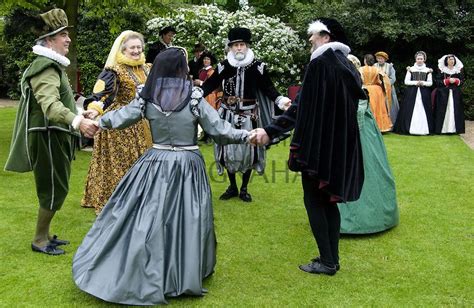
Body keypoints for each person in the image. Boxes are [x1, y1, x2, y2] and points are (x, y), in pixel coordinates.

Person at [73, 47, 250, 305]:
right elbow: (219, 130)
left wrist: (99, 121)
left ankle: (141, 264)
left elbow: (122, 116)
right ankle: (182, 271)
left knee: (147, 215)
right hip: (187, 164)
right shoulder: (194, 97)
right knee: (187, 217)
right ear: (181, 68)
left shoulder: (147, 95)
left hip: (154, 161)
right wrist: (247, 134)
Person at [250, 18, 366, 275]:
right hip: (340, 147)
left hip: (319, 147)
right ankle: (331, 258)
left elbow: (301, 107)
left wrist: (270, 131)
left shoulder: (320, 64)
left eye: (313, 35)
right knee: (328, 202)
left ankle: (326, 262)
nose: (310, 41)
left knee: (314, 201)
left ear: (326, 36)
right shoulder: (346, 65)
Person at [4, 9, 98, 255]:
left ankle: (44, 235)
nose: (68, 39)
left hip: (53, 133)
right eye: (63, 34)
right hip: (47, 135)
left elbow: (61, 103)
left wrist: (80, 112)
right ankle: (39, 240)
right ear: (48, 40)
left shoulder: (52, 66)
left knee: (57, 185)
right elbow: (50, 107)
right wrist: (78, 122)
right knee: (53, 187)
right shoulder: (45, 67)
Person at [201, 27, 291, 202]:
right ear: (230, 47)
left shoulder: (258, 67)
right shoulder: (223, 66)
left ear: (247, 46)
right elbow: (210, 84)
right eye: (235, 45)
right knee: (227, 150)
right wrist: (197, 92)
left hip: (250, 116)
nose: (239, 48)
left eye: (242, 45)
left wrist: (280, 100)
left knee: (250, 150)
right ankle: (232, 186)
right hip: (227, 115)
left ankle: (244, 188)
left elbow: (268, 88)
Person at [81, 31, 153, 214]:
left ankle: (140, 198)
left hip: (142, 122)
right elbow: (102, 94)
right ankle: (117, 200)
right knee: (122, 164)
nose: (136, 51)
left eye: (138, 47)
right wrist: (95, 109)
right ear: (123, 50)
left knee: (143, 161)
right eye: (132, 48)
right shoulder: (114, 70)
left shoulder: (147, 68)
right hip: (119, 125)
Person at [338, 54, 399, 234]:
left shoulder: (356, 88)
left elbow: (359, 110)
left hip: (360, 135)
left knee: (364, 168)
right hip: (359, 133)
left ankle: (361, 219)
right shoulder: (352, 86)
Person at [393, 51, 434, 135]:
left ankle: (424, 129)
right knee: (409, 109)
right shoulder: (410, 69)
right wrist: (416, 83)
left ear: (424, 60)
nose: (419, 60)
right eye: (418, 58)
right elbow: (406, 81)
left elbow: (430, 83)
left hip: (424, 92)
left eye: (421, 59)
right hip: (411, 92)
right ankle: (409, 128)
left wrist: (423, 83)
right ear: (415, 59)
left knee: (424, 109)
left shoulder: (428, 70)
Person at [359, 54, 392, 132]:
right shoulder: (377, 69)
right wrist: (383, 88)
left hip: (366, 88)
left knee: (370, 107)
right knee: (378, 108)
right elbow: (386, 80)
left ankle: (369, 126)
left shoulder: (361, 69)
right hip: (377, 90)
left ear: (365, 60)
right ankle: (380, 126)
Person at [194, 50, 222, 143]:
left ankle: (210, 136)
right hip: (202, 94)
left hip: (210, 96)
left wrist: (200, 82)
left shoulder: (212, 71)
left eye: (208, 59)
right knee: (202, 115)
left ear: (211, 61)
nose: (206, 61)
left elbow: (213, 84)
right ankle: (205, 135)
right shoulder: (202, 71)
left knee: (208, 116)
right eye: (205, 59)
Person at [434, 54, 465, 134]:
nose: (451, 60)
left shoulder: (457, 70)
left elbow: (462, 81)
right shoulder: (442, 70)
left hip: (455, 93)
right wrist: (447, 81)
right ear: (446, 61)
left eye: (453, 59)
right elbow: (437, 81)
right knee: (443, 110)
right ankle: (443, 129)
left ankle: (454, 129)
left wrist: (456, 81)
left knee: (455, 110)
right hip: (443, 93)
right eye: (450, 59)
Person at [374, 51, 400, 124]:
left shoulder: (390, 66)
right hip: (378, 89)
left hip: (389, 89)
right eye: (378, 58)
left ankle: (391, 123)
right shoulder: (374, 66)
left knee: (390, 105)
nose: (379, 60)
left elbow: (393, 78)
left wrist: (385, 84)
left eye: (381, 58)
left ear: (385, 59)